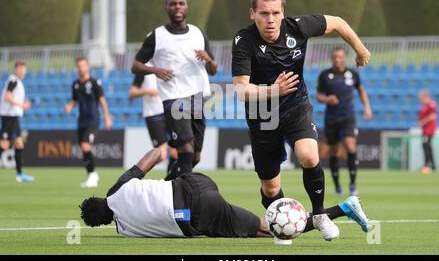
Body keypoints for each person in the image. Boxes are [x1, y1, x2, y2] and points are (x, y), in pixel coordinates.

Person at [231, 0, 370, 241]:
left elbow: (338, 22)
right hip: (263, 116)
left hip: (296, 107)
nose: (270, 19)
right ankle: (294, 224)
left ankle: (318, 213)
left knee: (308, 155)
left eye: (275, 13)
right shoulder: (243, 41)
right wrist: (274, 90)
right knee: (271, 189)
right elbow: (241, 90)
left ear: (283, 13)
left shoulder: (299, 27)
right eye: (264, 14)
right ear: (252, 14)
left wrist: (360, 50)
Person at [79, 148, 370, 240]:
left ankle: (341, 209)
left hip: (195, 213)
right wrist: (170, 147)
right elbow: (153, 155)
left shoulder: (125, 231)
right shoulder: (116, 189)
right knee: (271, 227)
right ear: (101, 199)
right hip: (194, 183)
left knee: (274, 230)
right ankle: (343, 208)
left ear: (103, 222)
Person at [131, 0, 218, 180]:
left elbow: (213, 70)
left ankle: (166, 185)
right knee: (185, 149)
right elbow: (135, 65)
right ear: (167, 8)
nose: (177, 7)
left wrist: (209, 59)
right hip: (174, 98)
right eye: (173, 4)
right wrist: (155, 71)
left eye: (181, 3)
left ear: (186, 7)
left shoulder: (198, 34)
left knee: (194, 156)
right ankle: (182, 199)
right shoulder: (157, 36)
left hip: (199, 96)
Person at [316, 47, 372, 196]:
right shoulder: (325, 75)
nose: (337, 60)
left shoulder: (352, 73)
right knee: (334, 150)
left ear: (344, 58)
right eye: (335, 57)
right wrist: (327, 99)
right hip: (332, 118)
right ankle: (337, 186)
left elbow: (361, 90)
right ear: (331, 58)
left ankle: (353, 184)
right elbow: (319, 96)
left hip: (348, 116)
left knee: (350, 146)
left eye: (340, 57)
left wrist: (367, 107)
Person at [64, 57, 112, 187]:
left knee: (86, 146)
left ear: (88, 66)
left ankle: (92, 175)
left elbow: (102, 100)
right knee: (83, 149)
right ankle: (92, 174)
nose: (81, 68)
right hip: (81, 121)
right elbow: (75, 100)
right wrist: (69, 106)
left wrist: (107, 117)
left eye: (83, 65)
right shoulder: (75, 84)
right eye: (79, 66)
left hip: (93, 120)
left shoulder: (95, 82)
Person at [129, 69, 178, 173]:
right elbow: (132, 92)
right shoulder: (143, 70)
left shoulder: (166, 66)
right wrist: (147, 91)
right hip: (153, 115)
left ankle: (170, 180)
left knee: (175, 152)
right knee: (162, 155)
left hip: (168, 112)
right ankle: (135, 173)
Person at [0, 60, 33, 182]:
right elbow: (7, 97)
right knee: (4, 144)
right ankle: (19, 174)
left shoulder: (18, 81)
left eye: (24, 68)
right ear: (16, 69)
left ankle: (19, 174)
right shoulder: (13, 80)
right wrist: (21, 105)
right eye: (20, 68)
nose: (22, 71)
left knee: (19, 144)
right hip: (9, 117)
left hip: (14, 118)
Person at [418, 90, 438, 174]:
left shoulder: (431, 104)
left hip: (429, 129)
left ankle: (429, 165)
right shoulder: (424, 106)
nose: (420, 99)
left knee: (427, 146)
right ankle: (429, 165)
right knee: (425, 145)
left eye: (421, 97)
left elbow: (433, 116)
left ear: (425, 96)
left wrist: (422, 122)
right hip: (425, 129)